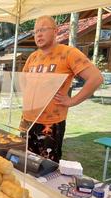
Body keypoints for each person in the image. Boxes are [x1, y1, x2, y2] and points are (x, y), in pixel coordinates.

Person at [21, 15, 103, 163]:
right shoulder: (32, 57)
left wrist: (72, 101)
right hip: (27, 120)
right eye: (36, 31)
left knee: (46, 167)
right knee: (24, 162)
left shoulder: (68, 53)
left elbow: (96, 78)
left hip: (50, 123)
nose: (38, 34)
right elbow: (23, 82)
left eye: (43, 29)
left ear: (56, 31)